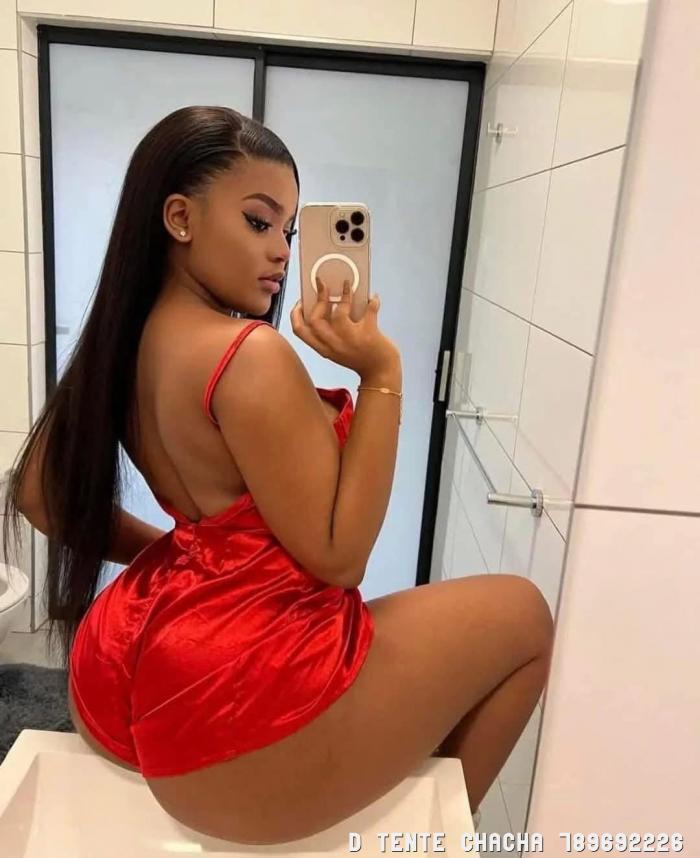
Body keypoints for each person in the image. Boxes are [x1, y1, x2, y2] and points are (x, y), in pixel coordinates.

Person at [1, 106, 554, 845]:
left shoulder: (123, 340)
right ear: (179, 218)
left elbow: (37, 491)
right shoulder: (247, 355)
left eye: (290, 231)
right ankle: (433, 839)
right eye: (258, 222)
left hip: (120, 668)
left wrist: (181, 551)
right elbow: (339, 558)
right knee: (525, 616)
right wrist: (381, 375)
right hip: (229, 704)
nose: (281, 253)